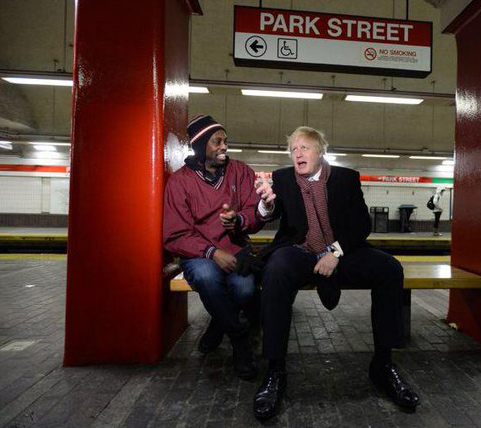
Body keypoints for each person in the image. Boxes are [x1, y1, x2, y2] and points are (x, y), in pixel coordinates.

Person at [252, 126, 420, 421]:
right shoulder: (282, 179)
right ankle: (275, 370)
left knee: (390, 269)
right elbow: (271, 211)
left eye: (304, 147)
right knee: (275, 272)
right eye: (293, 149)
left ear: (320, 152)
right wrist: (265, 204)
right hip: (300, 249)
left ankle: (383, 364)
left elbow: (360, 226)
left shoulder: (346, 178)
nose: (298, 154)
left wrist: (335, 254)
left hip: (343, 250)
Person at [163, 115, 267, 380]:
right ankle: (239, 339)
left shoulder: (241, 171)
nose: (224, 146)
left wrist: (239, 221)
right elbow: (175, 234)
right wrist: (212, 252)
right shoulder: (179, 182)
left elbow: (254, 213)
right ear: (199, 146)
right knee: (207, 276)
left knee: (244, 289)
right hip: (198, 253)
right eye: (217, 141)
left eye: (225, 141)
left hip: (235, 247)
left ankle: (219, 322)